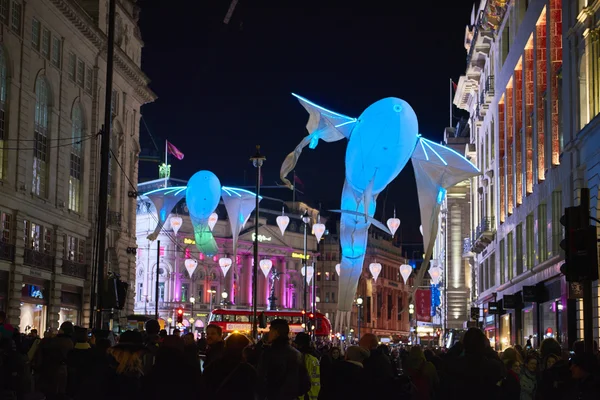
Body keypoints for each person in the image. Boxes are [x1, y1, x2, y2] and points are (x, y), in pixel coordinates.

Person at [256, 319, 310, 399]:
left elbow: (261, 381)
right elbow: (305, 384)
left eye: (270, 330)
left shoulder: (268, 353)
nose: (268, 333)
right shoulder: (297, 354)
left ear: (276, 333)